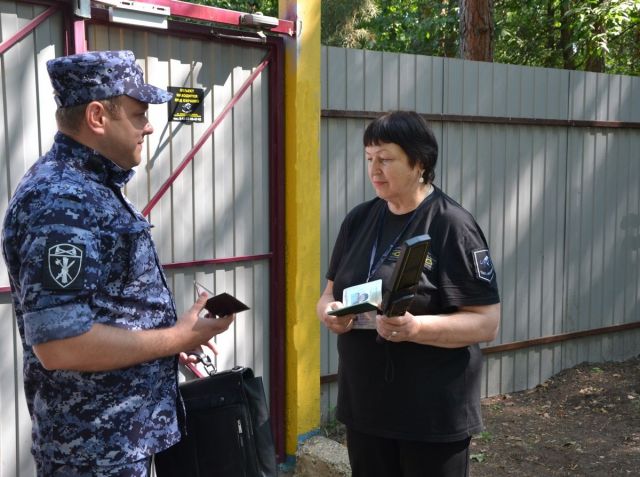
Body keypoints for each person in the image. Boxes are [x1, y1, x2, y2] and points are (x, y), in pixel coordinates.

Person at [1, 50, 235, 477]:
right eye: (137, 114)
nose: (148, 126)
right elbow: (60, 345)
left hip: (122, 442)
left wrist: (170, 341)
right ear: (97, 116)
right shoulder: (59, 199)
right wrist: (176, 338)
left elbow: (108, 310)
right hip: (93, 453)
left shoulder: (94, 187)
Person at [316, 111, 501, 477]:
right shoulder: (359, 219)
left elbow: (486, 323)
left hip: (430, 416)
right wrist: (330, 313)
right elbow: (329, 294)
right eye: (369, 158)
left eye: (385, 159)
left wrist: (416, 329)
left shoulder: (452, 225)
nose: (374, 170)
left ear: (419, 162)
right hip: (365, 407)